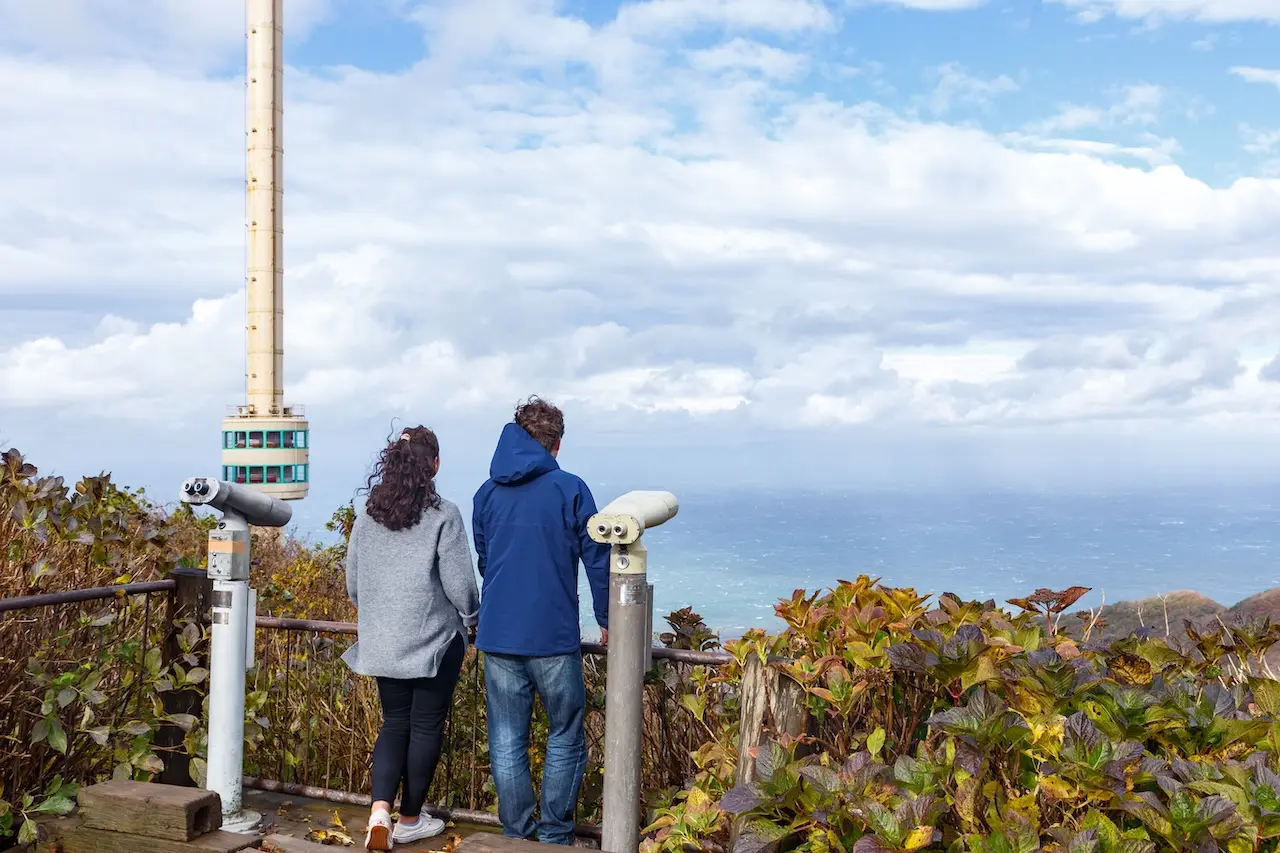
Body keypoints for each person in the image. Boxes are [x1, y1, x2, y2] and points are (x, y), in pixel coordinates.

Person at [472, 397, 610, 845]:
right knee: (566, 732)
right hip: (552, 635)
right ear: (557, 443)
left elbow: (486, 560)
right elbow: (598, 559)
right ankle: (554, 835)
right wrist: (608, 619)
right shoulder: (570, 489)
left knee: (507, 739)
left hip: (498, 634)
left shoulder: (486, 494)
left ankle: (516, 835)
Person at [343, 426, 480, 850]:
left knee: (393, 723)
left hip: (383, 641)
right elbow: (460, 585)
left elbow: (353, 583)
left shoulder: (368, 515)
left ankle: (379, 810)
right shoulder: (444, 514)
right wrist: (472, 617)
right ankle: (410, 818)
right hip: (434, 644)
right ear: (434, 464)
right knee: (424, 727)